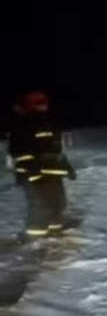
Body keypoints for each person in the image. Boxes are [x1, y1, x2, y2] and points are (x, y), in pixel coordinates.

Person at [6, 91, 75, 241]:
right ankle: (33, 239)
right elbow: (18, 150)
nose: (43, 105)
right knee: (40, 206)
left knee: (58, 204)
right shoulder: (23, 123)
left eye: (43, 101)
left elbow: (56, 148)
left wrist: (66, 166)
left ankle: (55, 232)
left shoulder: (48, 122)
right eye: (38, 102)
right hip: (34, 173)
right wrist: (31, 170)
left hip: (53, 171)